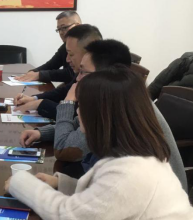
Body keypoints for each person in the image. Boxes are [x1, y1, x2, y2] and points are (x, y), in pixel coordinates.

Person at [7, 67, 193, 220]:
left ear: (101, 116)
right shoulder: (133, 154)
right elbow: (109, 196)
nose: (77, 113)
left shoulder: (134, 172)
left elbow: (66, 217)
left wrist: (19, 182)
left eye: (81, 107)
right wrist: (62, 184)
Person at [19, 40, 188, 189]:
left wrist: (68, 102)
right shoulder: (120, 96)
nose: (77, 79)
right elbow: (78, 124)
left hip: (152, 206)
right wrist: (42, 132)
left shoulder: (118, 108)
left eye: (83, 72)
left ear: (105, 76)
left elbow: (63, 148)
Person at [15, 24, 102, 119]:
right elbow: (64, 91)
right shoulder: (82, 73)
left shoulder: (102, 82)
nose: (67, 60)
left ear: (88, 54)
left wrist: (41, 104)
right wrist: (34, 98)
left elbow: (76, 116)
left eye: (71, 54)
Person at [15, 11, 80, 83]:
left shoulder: (85, 45)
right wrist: (32, 72)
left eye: (64, 28)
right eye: (59, 29)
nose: (61, 32)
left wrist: (39, 75)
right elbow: (51, 65)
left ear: (78, 26)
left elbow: (71, 73)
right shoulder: (65, 46)